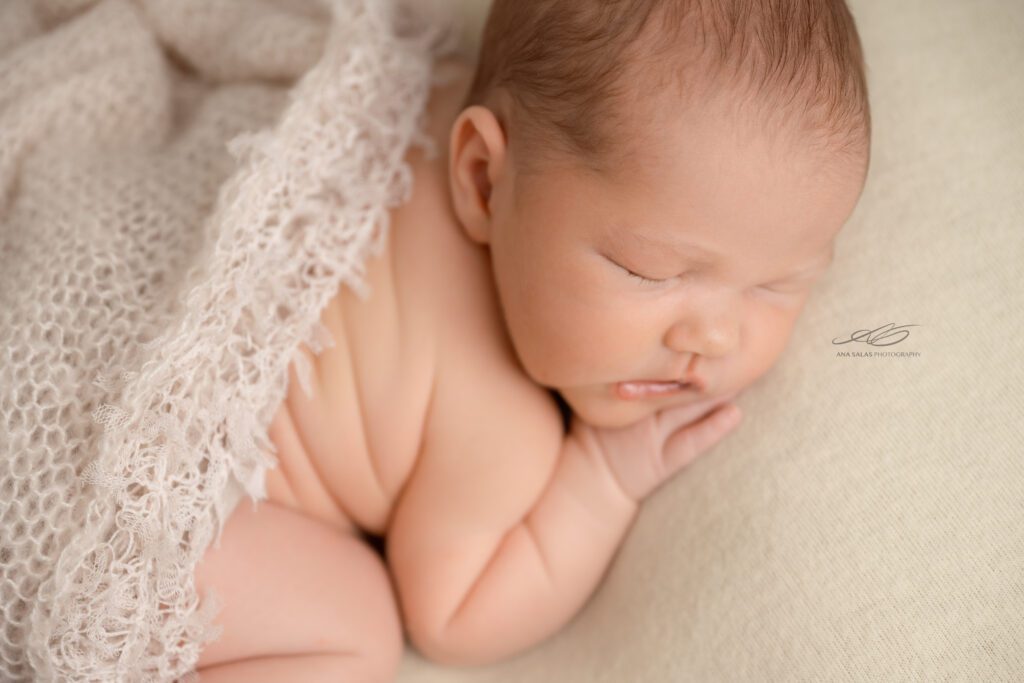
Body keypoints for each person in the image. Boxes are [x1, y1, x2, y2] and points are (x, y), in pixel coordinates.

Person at [192, 1, 871, 680]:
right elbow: (453, 617)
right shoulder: (502, 429)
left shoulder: (429, 82)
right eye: (650, 270)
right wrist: (600, 479)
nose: (717, 336)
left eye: (778, 284)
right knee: (353, 625)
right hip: (179, 493)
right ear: (483, 180)